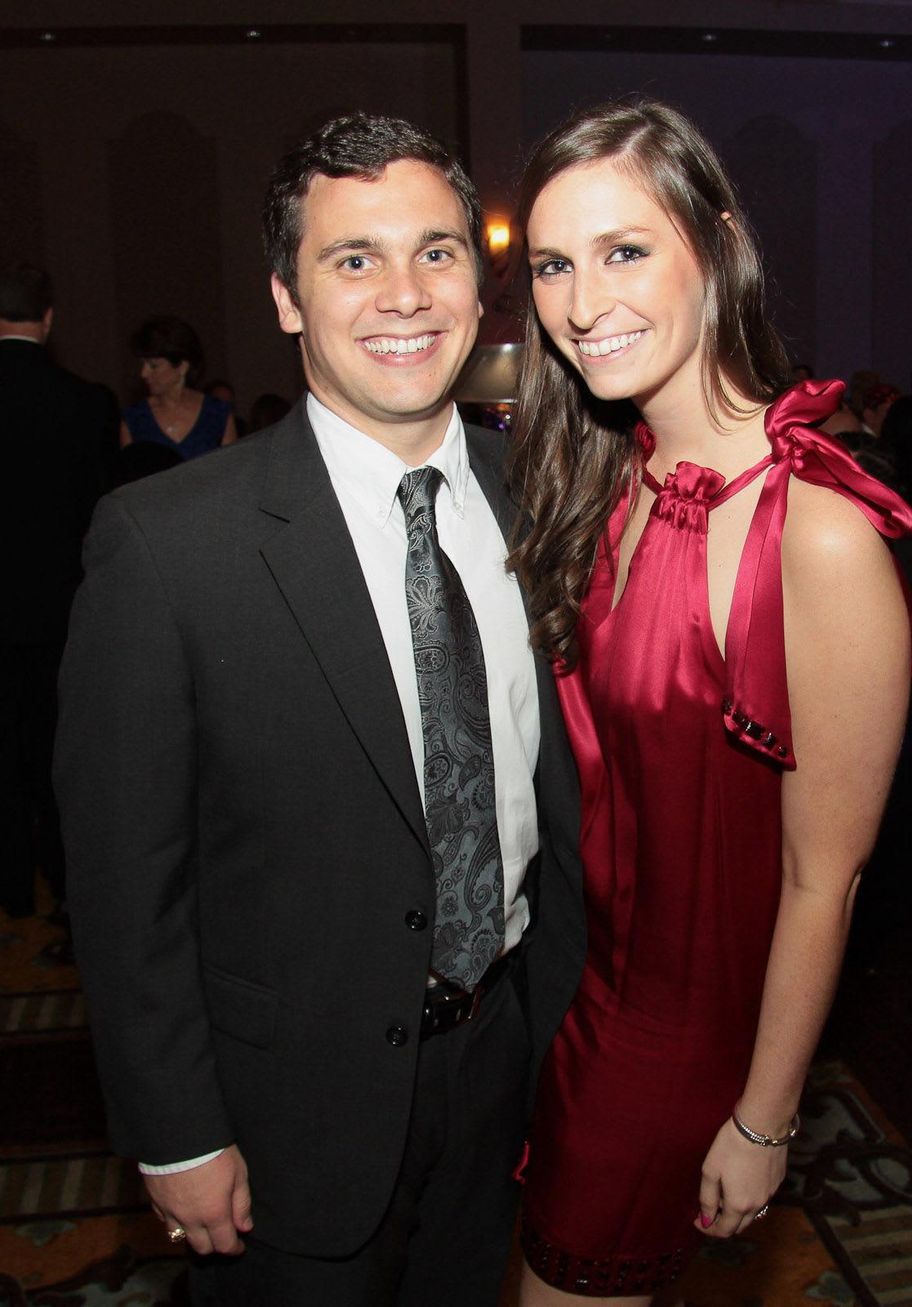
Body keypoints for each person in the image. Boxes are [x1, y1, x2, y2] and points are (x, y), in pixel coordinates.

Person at [54, 114, 584, 1307]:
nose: (404, 294)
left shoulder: (542, 502)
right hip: (282, 1102)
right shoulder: (166, 545)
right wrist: (175, 1129)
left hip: (502, 1060)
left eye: (436, 252)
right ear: (288, 298)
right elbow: (125, 880)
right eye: (353, 260)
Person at [506, 99, 912, 1306]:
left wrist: (764, 1115)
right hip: (577, 1001)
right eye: (550, 265)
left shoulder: (816, 535)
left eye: (623, 250)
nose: (581, 304)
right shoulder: (618, 475)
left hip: (675, 1051)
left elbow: (820, 875)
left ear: (716, 241)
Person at [0, 261, 114, 919]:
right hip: (61, 614)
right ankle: (67, 886)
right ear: (47, 321)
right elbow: (98, 516)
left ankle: (11, 890)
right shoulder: (85, 402)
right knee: (56, 758)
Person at [121, 315, 237, 459]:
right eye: (143, 364)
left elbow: (232, 472)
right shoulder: (135, 418)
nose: (144, 373)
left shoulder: (217, 414)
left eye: (153, 366)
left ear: (182, 366)